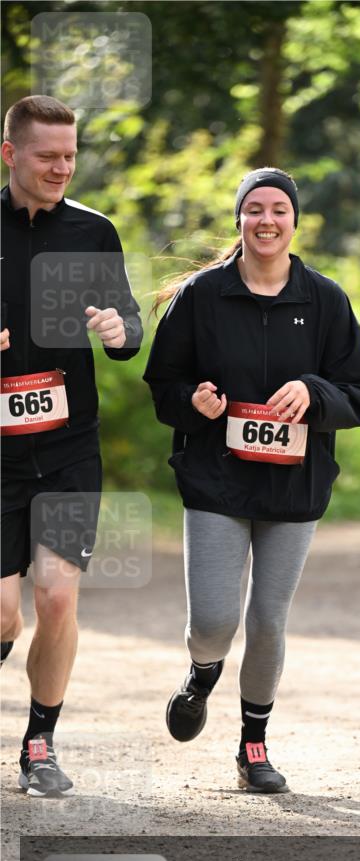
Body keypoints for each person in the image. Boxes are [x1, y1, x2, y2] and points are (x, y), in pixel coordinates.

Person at [143, 167, 360, 793]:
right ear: (239, 219)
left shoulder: (325, 299)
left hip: (294, 488)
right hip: (216, 478)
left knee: (269, 621)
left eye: (279, 209)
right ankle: (201, 672)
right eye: (254, 210)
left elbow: (359, 395)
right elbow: (162, 386)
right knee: (216, 621)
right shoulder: (202, 295)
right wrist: (196, 402)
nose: (266, 220)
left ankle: (253, 746)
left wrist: (314, 392)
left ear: (294, 222)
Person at [0, 96, 143, 796]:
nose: (62, 168)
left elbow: (131, 323)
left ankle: (39, 746)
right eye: (48, 156)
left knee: (57, 597)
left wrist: (122, 332)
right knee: (2, 612)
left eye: (70, 156)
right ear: (10, 155)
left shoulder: (93, 231)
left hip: (65, 446)